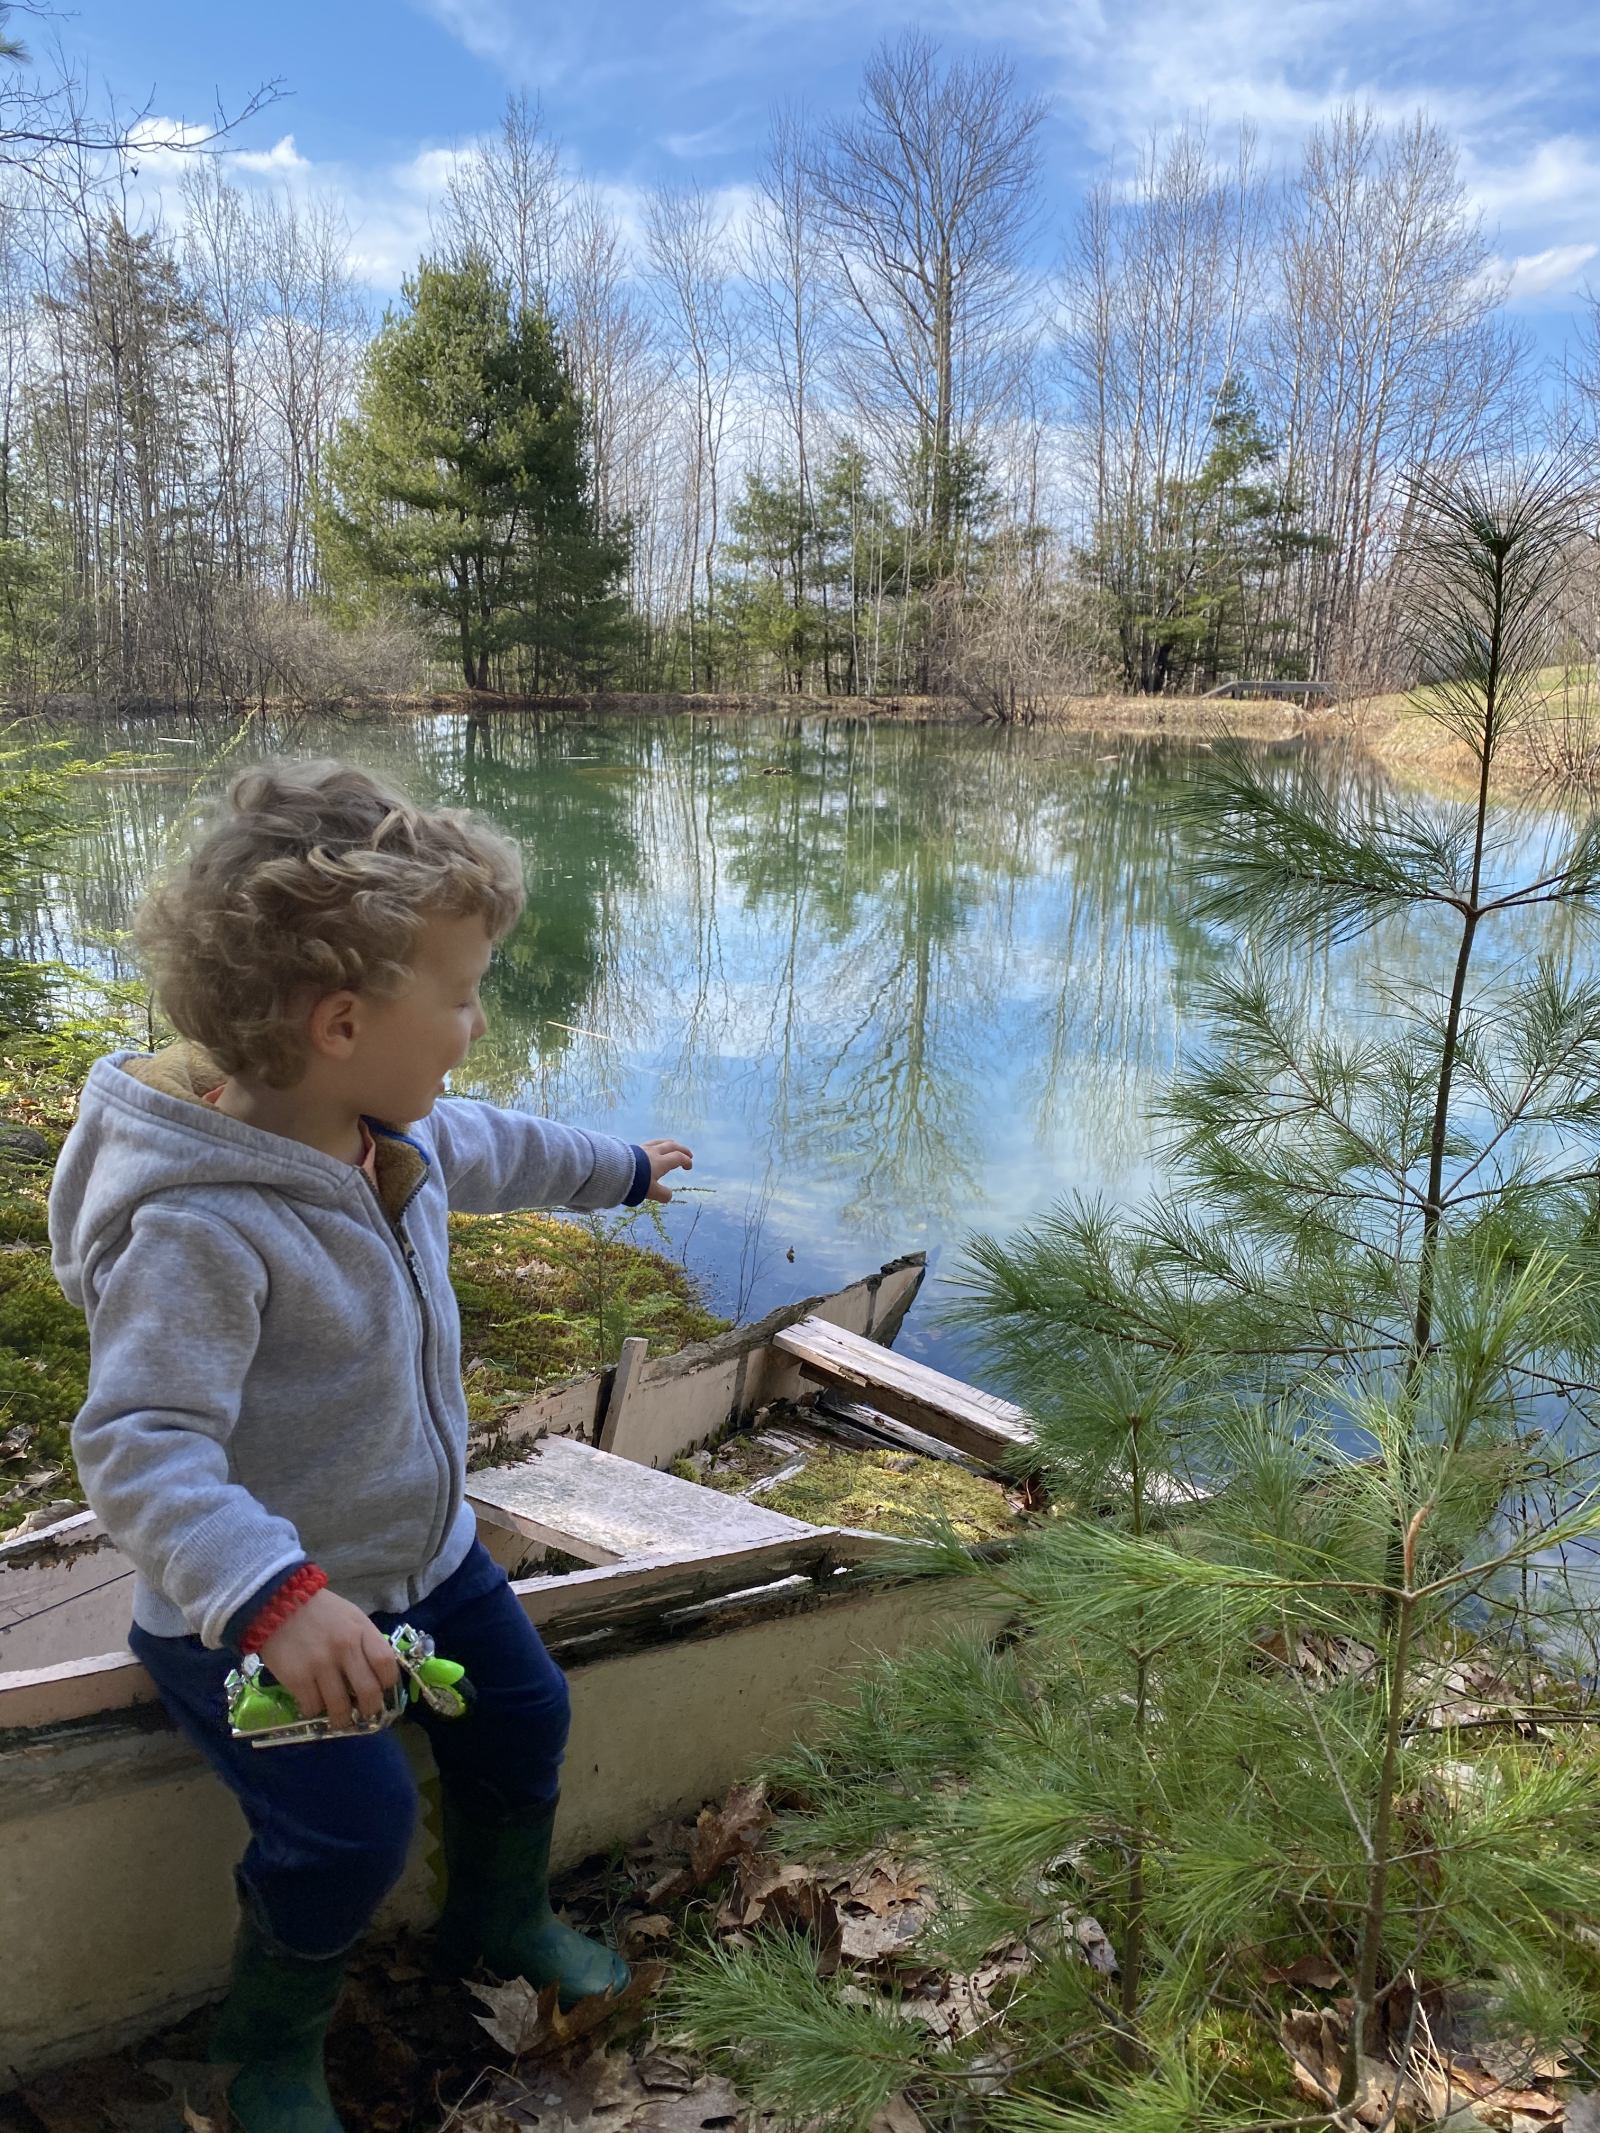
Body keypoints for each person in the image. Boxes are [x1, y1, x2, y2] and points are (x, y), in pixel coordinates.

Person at [49, 761, 694, 2133]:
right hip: (260, 1616)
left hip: (425, 1559)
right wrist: (274, 1599)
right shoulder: (198, 1225)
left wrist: (621, 1168)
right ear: (341, 1022)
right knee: (349, 1831)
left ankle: (495, 1917)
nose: (477, 1023)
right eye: (460, 994)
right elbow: (141, 1443)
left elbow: (501, 1145)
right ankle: (264, 2046)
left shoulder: (384, 1131)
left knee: (527, 1713)